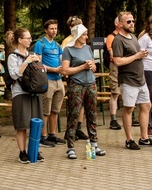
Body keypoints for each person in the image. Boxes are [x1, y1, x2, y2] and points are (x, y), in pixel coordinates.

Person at [112, 12, 152, 150]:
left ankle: (144, 137)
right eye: (128, 21)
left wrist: (142, 55)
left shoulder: (133, 37)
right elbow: (117, 61)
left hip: (140, 78)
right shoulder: (118, 40)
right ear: (120, 24)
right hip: (128, 80)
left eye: (133, 21)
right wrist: (136, 56)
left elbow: (137, 54)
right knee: (129, 109)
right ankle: (129, 139)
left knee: (146, 106)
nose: (132, 23)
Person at [61, 25, 106, 159]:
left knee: (92, 114)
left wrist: (92, 66)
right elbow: (65, 71)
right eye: (84, 35)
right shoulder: (68, 50)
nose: (86, 37)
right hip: (76, 85)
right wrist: (82, 67)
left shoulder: (87, 48)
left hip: (90, 83)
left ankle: (94, 143)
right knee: (73, 115)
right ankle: (70, 146)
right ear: (77, 36)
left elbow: (94, 67)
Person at [7, 28, 44, 164]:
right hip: (20, 93)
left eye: (30, 38)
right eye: (27, 38)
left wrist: (39, 63)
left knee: (36, 123)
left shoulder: (32, 54)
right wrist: (27, 61)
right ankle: (22, 152)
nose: (30, 40)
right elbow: (14, 74)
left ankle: (34, 150)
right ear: (20, 40)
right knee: (22, 125)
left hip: (34, 92)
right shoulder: (13, 56)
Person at [33, 20, 66, 148]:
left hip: (59, 80)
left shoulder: (57, 45)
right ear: (46, 30)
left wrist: (63, 69)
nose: (54, 31)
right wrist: (53, 69)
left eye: (56, 28)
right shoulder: (40, 44)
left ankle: (52, 134)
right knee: (45, 110)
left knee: (55, 109)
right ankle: (43, 136)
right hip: (47, 80)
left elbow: (61, 60)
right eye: (51, 28)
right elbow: (38, 64)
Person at [105, 17, 122, 130]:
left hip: (126, 66)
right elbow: (112, 54)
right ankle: (113, 119)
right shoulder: (111, 37)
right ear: (117, 24)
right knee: (115, 92)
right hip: (116, 66)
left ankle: (131, 116)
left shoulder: (126, 36)